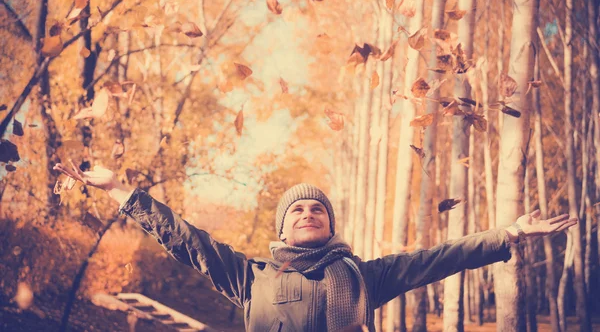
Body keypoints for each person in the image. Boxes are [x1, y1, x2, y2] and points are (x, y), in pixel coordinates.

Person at [53, 161, 577, 332]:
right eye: (297, 209)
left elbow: (438, 259)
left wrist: (509, 234)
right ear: (283, 230)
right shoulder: (248, 277)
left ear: (329, 225)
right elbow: (181, 236)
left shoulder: (364, 275)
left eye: (317, 208)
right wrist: (119, 190)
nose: (308, 212)